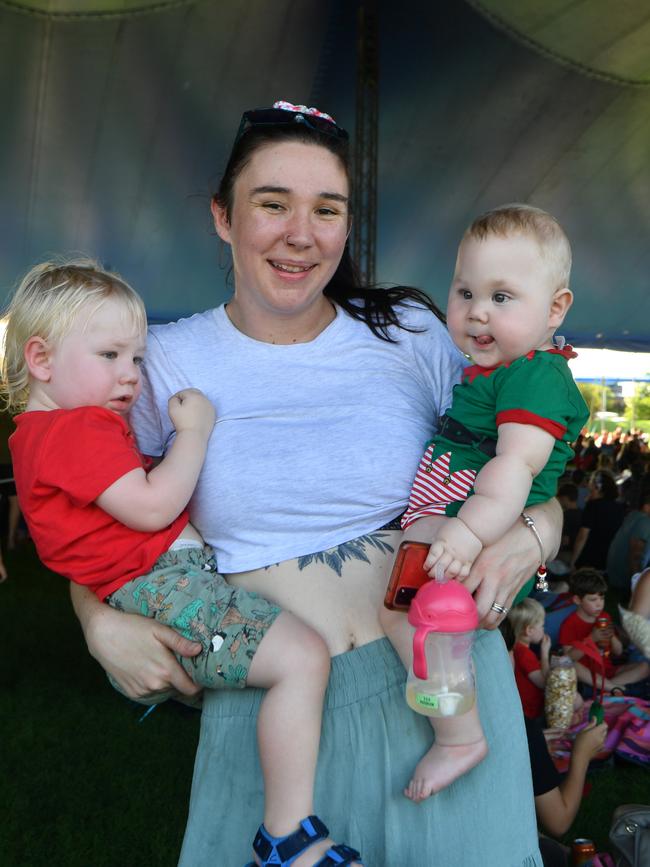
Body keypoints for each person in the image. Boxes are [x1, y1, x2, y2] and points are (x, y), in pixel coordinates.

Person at [67, 101, 562, 867]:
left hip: (442, 698)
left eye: (326, 210)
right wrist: (97, 622)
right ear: (222, 216)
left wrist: (540, 532)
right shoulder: (160, 358)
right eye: (272, 204)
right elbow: (80, 514)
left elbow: (522, 463)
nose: (301, 233)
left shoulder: (411, 329)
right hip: (272, 725)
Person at [2, 259, 359, 867]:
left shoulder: (34, 434)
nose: (131, 377)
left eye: (137, 360)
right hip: (164, 587)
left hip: (144, 589)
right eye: (111, 356)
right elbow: (151, 506)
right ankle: (289, 838)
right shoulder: (78, 428)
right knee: (301, 657)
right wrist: (195, 430)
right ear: (40, 360)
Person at [381, 204, 588, 800]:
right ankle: (456, 727)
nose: (477, 310)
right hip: (460, 524)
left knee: (409, 612)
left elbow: (516, 466)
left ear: (555, 310)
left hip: (479, 532)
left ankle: (459, 736)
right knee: (406, 611)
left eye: (502, 297)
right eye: (466, 290)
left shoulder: (535, 378)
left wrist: (468, 533)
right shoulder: (490, 370)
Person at [500, 618, 608, 866]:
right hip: (500, 851)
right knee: (555, 853)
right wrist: (581, 754)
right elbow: (558, 822)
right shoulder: (519, 729)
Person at [559, 568, 649, 691]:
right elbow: (568, 659)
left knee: (644, 667)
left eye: (602, 598)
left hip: (607, 671)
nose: (599, 604)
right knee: (572, 665)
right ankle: (612, 689)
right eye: (593, 600)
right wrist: (591, 639)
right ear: (577, 600)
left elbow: (618, 652)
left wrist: (611, 636)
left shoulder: (604, 617)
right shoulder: (570, 624)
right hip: (587, 674)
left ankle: (607, 688)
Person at [570, 469, 625, 570]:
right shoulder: (620, 507)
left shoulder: (593, 506)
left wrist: (573, 561)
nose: (588, 486)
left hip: (591, 558)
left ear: (598, 488)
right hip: (610, 559)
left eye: (591, 487)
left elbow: (582, 536)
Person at [508, 598, 551, 720]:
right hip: (530, 712)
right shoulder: (524, 654)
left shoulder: (515, 648)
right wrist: (545, 654)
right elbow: (544, 683)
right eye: (542, 626)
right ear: (529, 630)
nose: (544, 629)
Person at [606, 493, 650, 591]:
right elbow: (635, 557)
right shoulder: (645, 521)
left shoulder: (633, 515)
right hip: (625, 581)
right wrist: (636, 587)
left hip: (614, 577)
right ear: (647, 507)